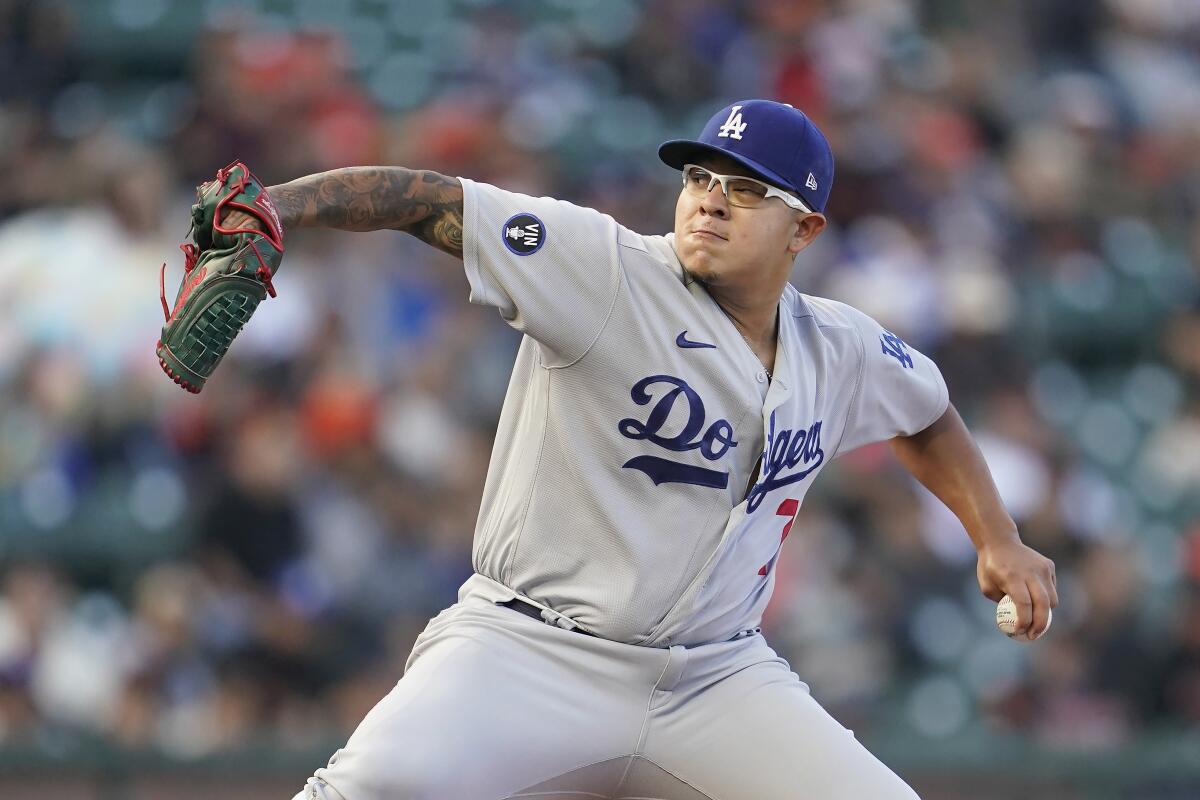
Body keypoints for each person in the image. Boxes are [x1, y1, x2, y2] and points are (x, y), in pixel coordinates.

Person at [225, 99, 1056, 800]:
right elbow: (429, 200)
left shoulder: (838, 346)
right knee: (365, 792)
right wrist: (280, 208)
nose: (709, 201)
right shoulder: (604, 268)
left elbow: (929, 416)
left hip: (718, 675)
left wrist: (997, 536)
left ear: (803, 228)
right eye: (698, 178)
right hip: (530, 649)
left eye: (743, 190)